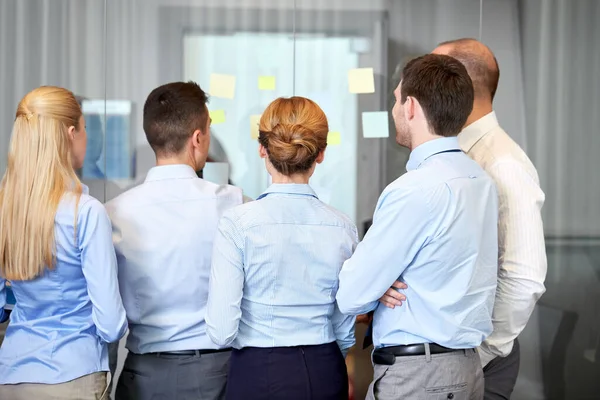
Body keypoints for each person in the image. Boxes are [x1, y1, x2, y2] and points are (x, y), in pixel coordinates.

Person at [336, 54, 499, 400]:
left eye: (396, 100)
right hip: (466, 370)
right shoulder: (480, 181)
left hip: (421, 378)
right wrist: (377, 286)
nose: (394, 109)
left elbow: (351, 294)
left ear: (410, 106)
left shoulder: (414, 190)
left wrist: (374, 286)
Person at [206, 96, 357, 399]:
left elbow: (221, 331)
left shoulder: (238, 223)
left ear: (262, 149)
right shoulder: (343, 227)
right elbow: (344, 324)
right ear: (321, 154)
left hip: (258, 368)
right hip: (324, 367)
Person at [106, 81, 243, 400]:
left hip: (143, 375)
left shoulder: (113, 212)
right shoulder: (234, 203)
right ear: (198, 138)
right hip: (216, 374)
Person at [433, 38, 547, 399]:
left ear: (459, 83)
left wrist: (479, 352)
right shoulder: (460, 152)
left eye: (432, 75)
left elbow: (524, 277)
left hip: (480, 360)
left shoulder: (502, 163)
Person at [0, 86, 128, 399]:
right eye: (85, 128)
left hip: (12, 376)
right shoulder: (85, 213)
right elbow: (111, 326)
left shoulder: (5, 208)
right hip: (74, 376)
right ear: (71, 133)